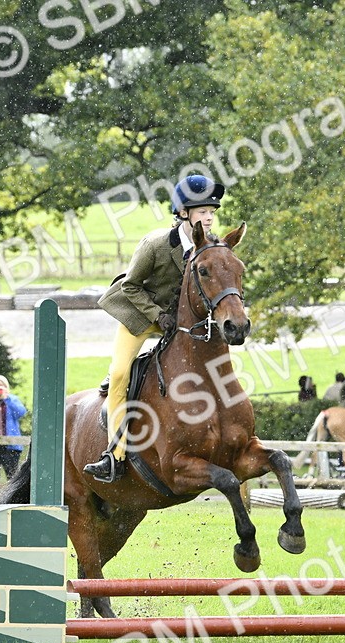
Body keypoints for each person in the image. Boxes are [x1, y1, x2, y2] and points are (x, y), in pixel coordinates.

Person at [84, 174, 225, 482]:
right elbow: (130, 286)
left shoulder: (210, 247)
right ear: (184, 212)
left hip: (178, 324)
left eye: (212, 212)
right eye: (203, 211)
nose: (209, 218)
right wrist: (157, 315)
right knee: (119, 375)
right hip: (140, 316)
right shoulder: (156, 244)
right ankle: (114, 455)